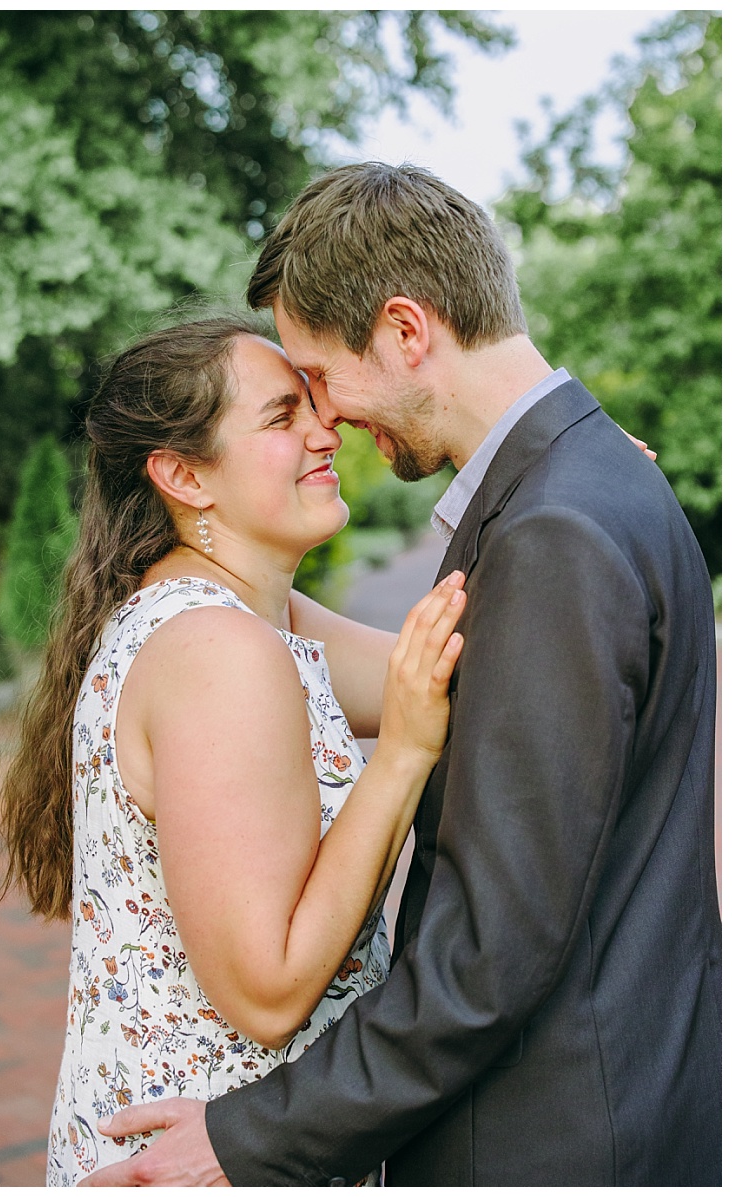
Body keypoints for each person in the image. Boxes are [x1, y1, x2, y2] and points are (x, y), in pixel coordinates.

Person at [87, 163, 720, 1185]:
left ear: (406, 332)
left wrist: (250, 1136)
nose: (325, 421)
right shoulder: (582, 489)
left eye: (320, 377)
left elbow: (486, 959)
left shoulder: (557, 525)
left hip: (550, 1134)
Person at [0, 314, 468, 1186]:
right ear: (183, 475)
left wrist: (556, 470)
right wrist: (400, 758)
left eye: (315, 407)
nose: (325, 431)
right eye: (283, 416)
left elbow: (453, 663)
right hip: (209, 1153)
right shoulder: (219, 652)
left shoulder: (241, 615)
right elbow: (268, 991)